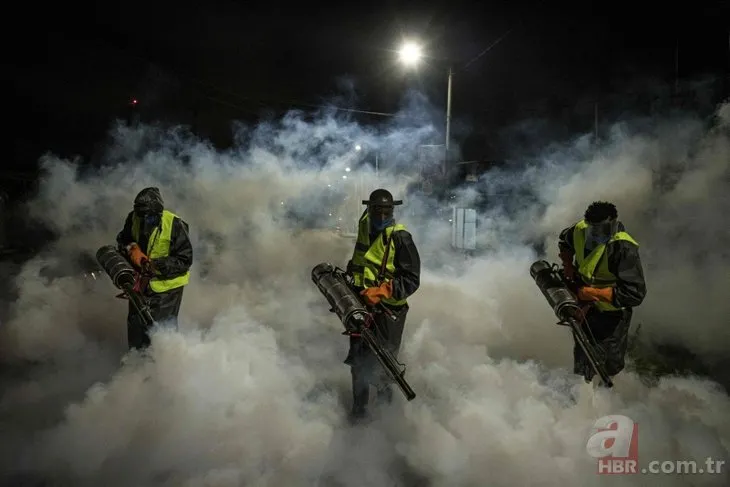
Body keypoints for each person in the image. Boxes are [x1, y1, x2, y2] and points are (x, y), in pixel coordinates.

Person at [344, 188, 421, 421]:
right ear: (369, 210)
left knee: (384, 365)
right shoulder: (365, 228)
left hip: (389, 313)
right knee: (358, 362)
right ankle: (359, 412)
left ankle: (385, 416)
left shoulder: (400, 238)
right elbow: (359, 263)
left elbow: (411, 280)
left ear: (392, 211)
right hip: (362, 307)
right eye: (376, 211)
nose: (380, 216)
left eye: (385, 212)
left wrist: (381, 291)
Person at [558, 201, 647, 386]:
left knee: (609, 362)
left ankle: (608, 397)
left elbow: (634, 293)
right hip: (584, 306)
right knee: (584, 352)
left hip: (612, 314)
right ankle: (584, 396)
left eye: (604, 229)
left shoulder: (622, 247)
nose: (599, 234)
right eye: (595, 229)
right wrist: (567, 265)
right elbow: (564, 242)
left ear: (614, 224)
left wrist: (591, 293)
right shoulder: (579, 229)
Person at [116, 187, 193, 350]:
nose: (146, 221)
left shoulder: (174, 224)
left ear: (158, 213)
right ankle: (136, 368)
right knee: (137, 330)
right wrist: (132, 248)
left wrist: (155, 266)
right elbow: (123, 239)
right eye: (142, 217)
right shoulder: (133, 218)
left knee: (160, 333)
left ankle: (164, 368)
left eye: (150, 218)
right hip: (141, 284)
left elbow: (185, 259)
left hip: (167, 289)